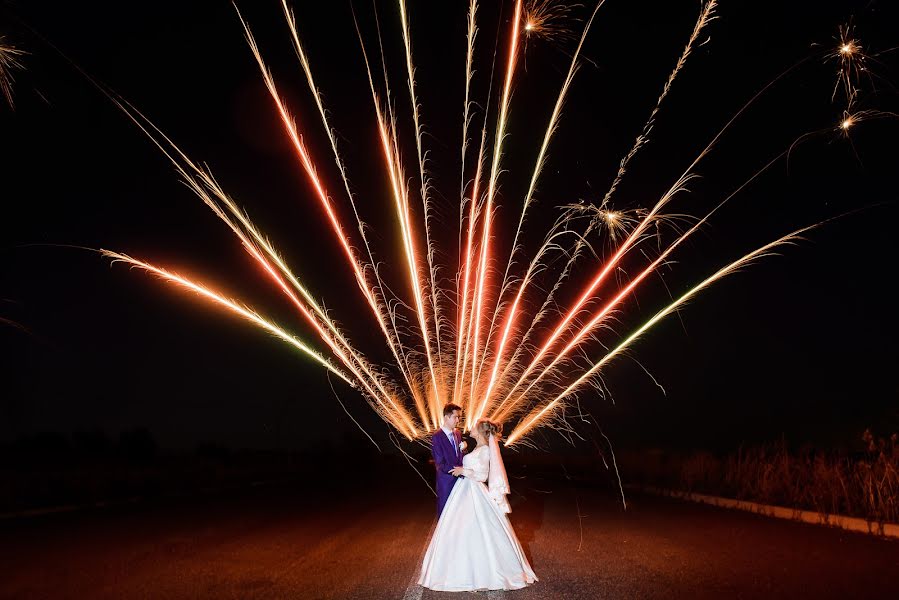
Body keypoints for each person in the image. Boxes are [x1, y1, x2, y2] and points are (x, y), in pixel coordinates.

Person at [419, 418, 538, 592]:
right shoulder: (478, 448)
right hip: (465, 489)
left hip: (474, 490)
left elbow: (482, 475)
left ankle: (481, 574)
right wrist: (464, 453)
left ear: (481, 432)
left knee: (472, 529)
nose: (471, 428)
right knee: (460, 529)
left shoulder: (485, 451)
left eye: (474, 427)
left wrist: (463, 470)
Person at [431, 403, 464, 516]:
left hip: (461, 483)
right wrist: (460, 471)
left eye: (459, 417)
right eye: (455, 417)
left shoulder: (458, 434)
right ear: (446, 417)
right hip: (446, 483)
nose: (458, 420)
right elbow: (440, 464)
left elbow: (460, 456)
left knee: (459, 515)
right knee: (446, 516)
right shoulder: (437, 437)